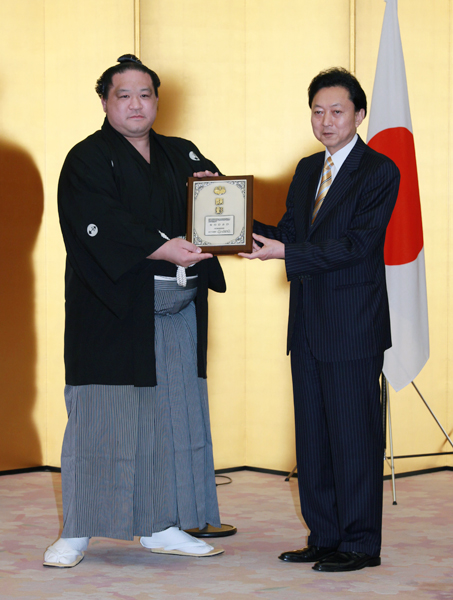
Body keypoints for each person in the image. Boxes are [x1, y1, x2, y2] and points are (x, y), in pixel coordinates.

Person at [44, 54, 226, 567]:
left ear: (157, 101)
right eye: (123, 95)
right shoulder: (86, 158)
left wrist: (217, 202)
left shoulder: (182, 152)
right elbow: (96, 222)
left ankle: (162, 524)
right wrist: (160, 246)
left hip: (176, 310)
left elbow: (216, 212)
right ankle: (77, 531)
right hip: (112, 312)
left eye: (145, 94)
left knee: (172, 417)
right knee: (102, 422)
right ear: (105, 102)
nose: (135, 104)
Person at [240, 68, 400, 572]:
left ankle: (359, 544)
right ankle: (325, 535)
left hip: (352, 326)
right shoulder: (308, 169)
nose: (325, 120)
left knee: (353, 437)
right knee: (313, 438)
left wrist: (287, 251)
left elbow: (357, 246)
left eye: (336, 111)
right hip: (307, 323)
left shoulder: (380, 170)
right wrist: (228, 216)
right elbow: (289, 233)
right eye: (317, 111)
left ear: (359, 114)